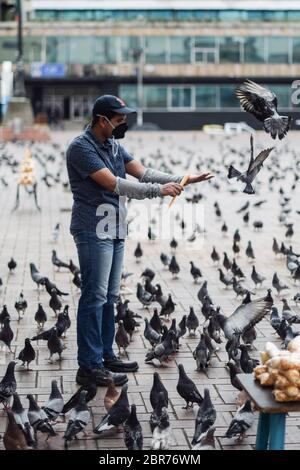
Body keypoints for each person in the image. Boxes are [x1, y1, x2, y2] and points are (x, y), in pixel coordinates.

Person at [66, 94, 213, 387]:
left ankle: (105, 355)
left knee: (109, 297)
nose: (123, 125)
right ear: (101, 120)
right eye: (119, 120)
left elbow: (144, 172)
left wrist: (184, 179)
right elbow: (114, 183)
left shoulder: (113, 145)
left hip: (115, 227)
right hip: (93, 229)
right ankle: (89, 366)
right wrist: (159, 192)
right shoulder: (81, 148)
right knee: (94, 296)